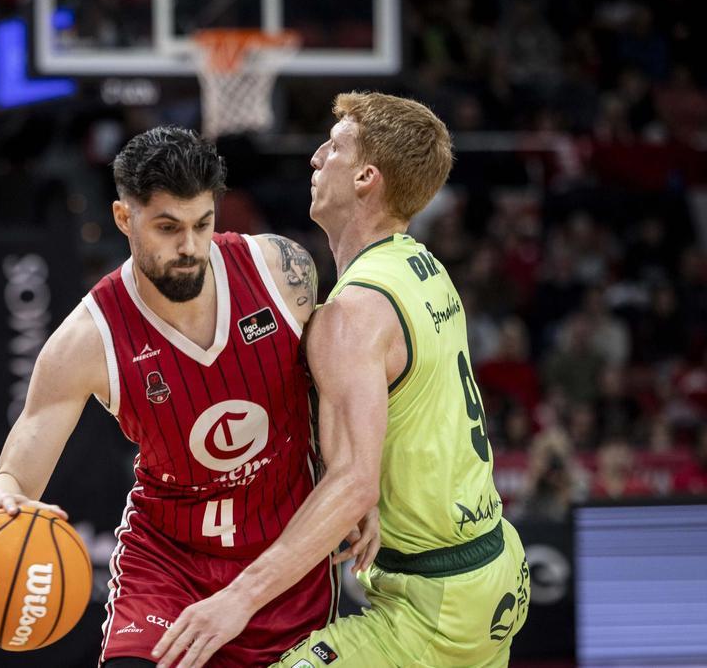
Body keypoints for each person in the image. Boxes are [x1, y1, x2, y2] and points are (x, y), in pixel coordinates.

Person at [0, 127, 378, 667]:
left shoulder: (281, 273)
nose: (190, 247)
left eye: (202, 224)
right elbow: (20, 468)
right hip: (168, 564)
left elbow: (339, 394)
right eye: (168, 228)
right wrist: (0, 496)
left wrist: (357, 486)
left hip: (285, 558)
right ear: (125, 219)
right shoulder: (87, 339)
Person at [152, 92, 530, 668]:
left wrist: (236, 600)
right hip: (496, 564)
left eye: (334, 147)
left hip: (434, 608)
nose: (315, 158)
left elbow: (355, 484)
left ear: (365, 177)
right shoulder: (423, 267)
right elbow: (397, 411)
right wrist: (356, 473)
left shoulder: (350, 314)